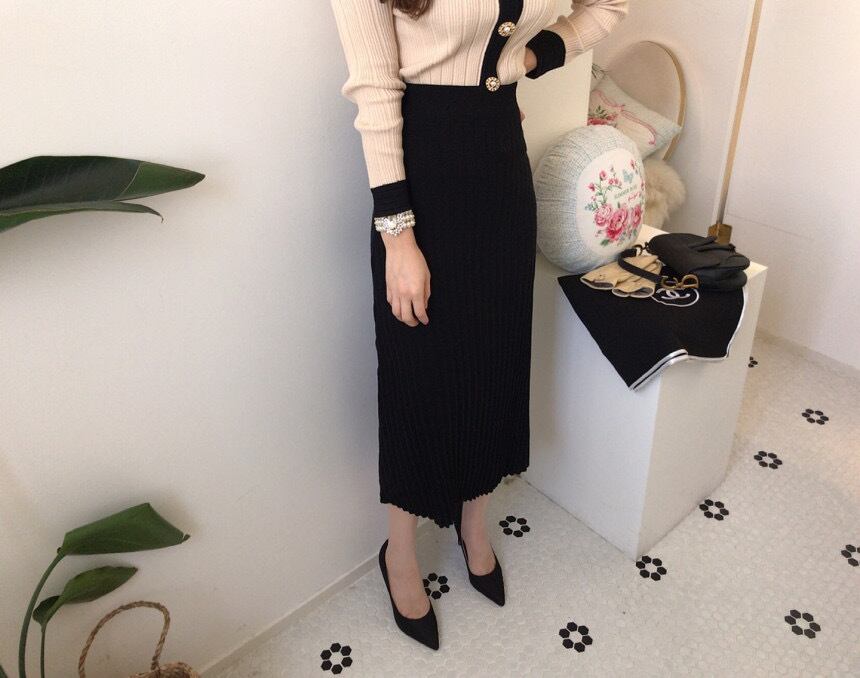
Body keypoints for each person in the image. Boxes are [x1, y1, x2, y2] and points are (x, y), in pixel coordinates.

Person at [329, 0, 628, 650]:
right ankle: (399, 551)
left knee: (495, 356)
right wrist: (398, 238)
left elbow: (608, 7)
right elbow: (375, 90)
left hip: (499, 167)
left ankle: (473, 523)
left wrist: (526, 57)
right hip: (419, 176)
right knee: (417, 372)